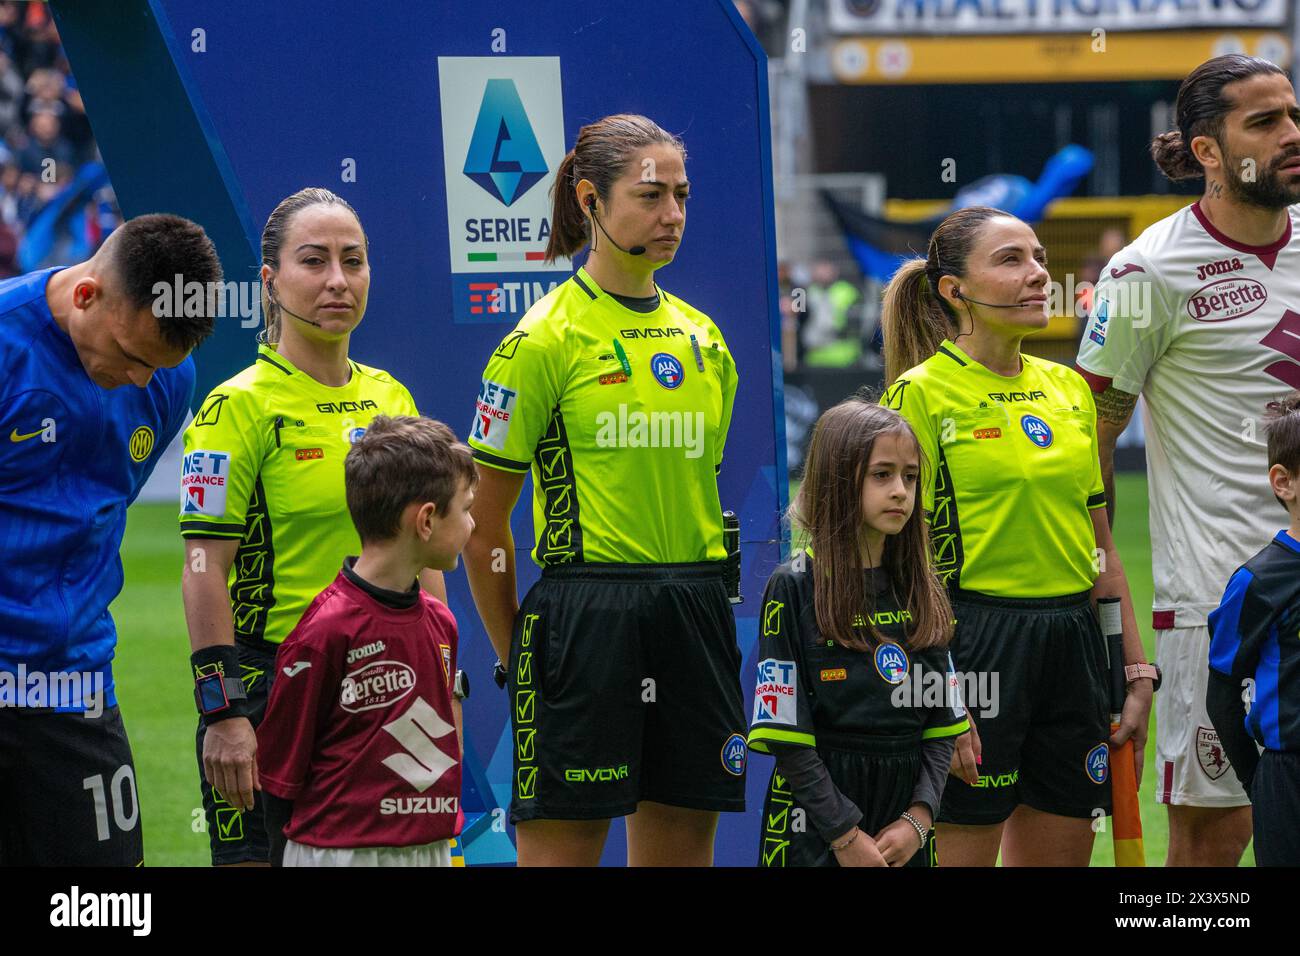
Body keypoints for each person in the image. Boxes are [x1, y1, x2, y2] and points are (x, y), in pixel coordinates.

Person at [462, 113, 744, 866]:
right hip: (585, 616)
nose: (673, 215)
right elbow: (482, 523)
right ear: (590, 200)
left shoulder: (707, 342)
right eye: (651, 196)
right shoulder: (540, 341)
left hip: (694, 610)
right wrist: (515, 650)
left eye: (682, 195)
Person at [1075, 54, 1300, 866]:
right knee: (1214, 842)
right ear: (1208, 150)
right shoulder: (1147, 272)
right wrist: (1105, 569)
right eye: (1265, 122)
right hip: (1224, 610)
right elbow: (1088, 435)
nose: (1292, 135)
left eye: (1294, 115)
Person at [879, 205, 1152, 867]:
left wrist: (1137, 670)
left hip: (1073, 647)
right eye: (1011, 260)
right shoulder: (920, 395)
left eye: (1037, 258)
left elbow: (1102, 549)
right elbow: (897, 568)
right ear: (954, 290)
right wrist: (939, 694)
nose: (1038, 275)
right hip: (972, 647)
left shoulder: (1067, 390)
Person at [180, 187, 441, 867]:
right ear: (270, 281)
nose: (337, 280)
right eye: (314, 260)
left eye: (353, 261)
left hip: (387, 691)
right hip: (271, 695)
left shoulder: (393, 399)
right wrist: (223, 712)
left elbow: (427, 556)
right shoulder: (233, 409)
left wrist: (442, 682)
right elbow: (204, 568)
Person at [0, 213, 221, 864]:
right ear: (85, 296)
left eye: (159, 366)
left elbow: (103, 512)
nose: (140, 383)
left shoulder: (167, 379)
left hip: (76, 688)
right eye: (129, 357)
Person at [748, 398, 968, 867]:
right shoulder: (793, 586)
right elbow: (786, 733)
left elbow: (942, 726)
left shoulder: (922, 586)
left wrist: (919, 819)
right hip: (815, 818)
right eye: (882, 475)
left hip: (903, 820)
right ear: (837, 479)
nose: (900, 493)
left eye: (910, 477)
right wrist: (845, 835)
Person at [256, 416, 476, 867]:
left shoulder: (441, 623)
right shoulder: (324, 630)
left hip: (428, 850)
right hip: (336, 853)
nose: (473, 525)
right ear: (427, 520)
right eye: (466, 509)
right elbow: (279, 775)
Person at [1206, 393, 1300, 866]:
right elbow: (1221, 694)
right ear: (1284, 482)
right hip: (1287, 780)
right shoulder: (1257, 583)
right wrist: (1258, 782)